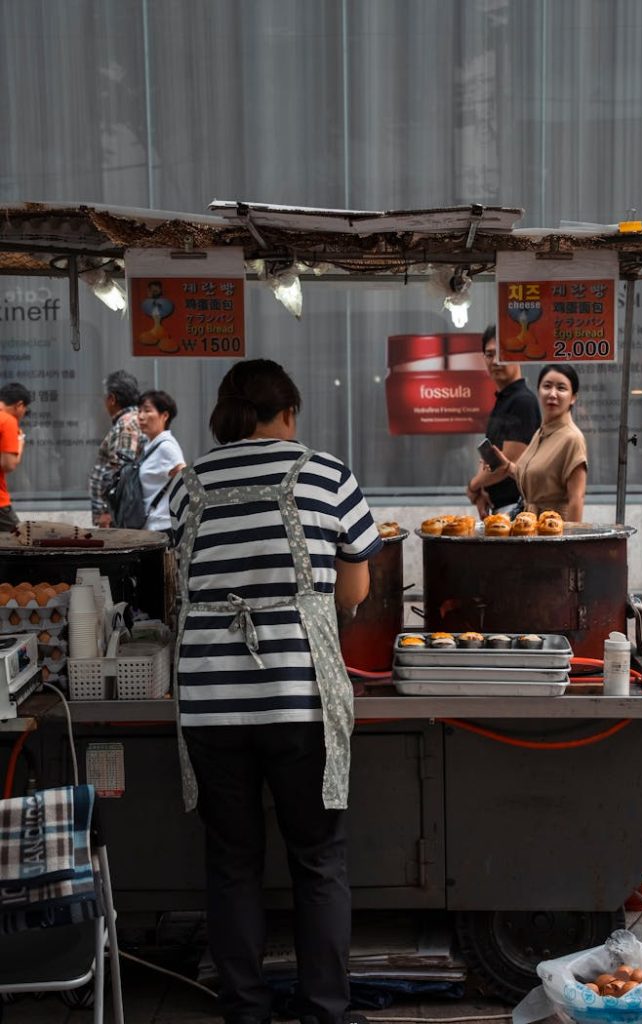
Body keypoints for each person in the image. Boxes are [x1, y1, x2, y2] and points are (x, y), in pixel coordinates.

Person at [169, 358, 381, 1024]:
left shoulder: (188, 483)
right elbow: (353, 590)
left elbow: (180, 581)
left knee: (231, 862)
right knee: (317, 861)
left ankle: (245, 1010)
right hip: (300, 701)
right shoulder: (324, 472)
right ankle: (324, 1010)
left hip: (208, 702)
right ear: (287, 411)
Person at [494, 363, 587, 521]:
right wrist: (506, 465)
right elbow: (536, 480)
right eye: (547, 386)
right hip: (531, 528)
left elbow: (576, 499)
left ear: (573, 398)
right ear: (538, 391)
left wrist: (571, 542)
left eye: (561, 388)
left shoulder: (572, 438)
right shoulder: (541, 433)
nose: (552, 394)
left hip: (553, 532)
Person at [466, 325, 541, 519]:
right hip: (500, 508)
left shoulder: (522, 401)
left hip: (518, 509)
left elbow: (508, 462)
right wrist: (481, 490)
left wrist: (474, 486)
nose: (495, 361)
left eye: (503, 354)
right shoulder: (503, 400)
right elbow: (489, 457)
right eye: (489, 354)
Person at [89, 370, 143, 527]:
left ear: (112, 399)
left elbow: (120, 471)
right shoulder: (133, 420)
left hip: (117, 515)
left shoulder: (126, 425)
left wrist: (107, 510)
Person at [136, 390, 185, 534]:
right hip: (149, 526)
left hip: (163, 528)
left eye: (147, 410)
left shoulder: (166, 447)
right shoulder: (149, 446)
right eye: (139, 411)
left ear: (164, 415)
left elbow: (189, 483)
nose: (141, 416)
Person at [0, 382, 30, 532]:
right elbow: (8, 464)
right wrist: (20, 443)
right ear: (19, 405)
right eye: (25, 409)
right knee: (19, 539)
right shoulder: (7, 421)